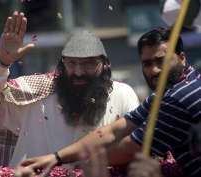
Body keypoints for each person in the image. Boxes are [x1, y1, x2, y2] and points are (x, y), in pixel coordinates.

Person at [16, 27, 201, 177]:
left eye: (162, 61)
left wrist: (79, 167)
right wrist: (56, 158)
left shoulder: (178, 96)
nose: (154, 70)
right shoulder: (171, 90)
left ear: (182, 57)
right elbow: (112, 131)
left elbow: (131, 148)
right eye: (147, 64)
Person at [0, 11, 139, 167]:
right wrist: (2, 63)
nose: (78, 72)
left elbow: (136, 144)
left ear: (105, 65)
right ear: (61, 64)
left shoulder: (122, 94)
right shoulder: (34, 96)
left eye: (89, 64)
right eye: (72, 63)